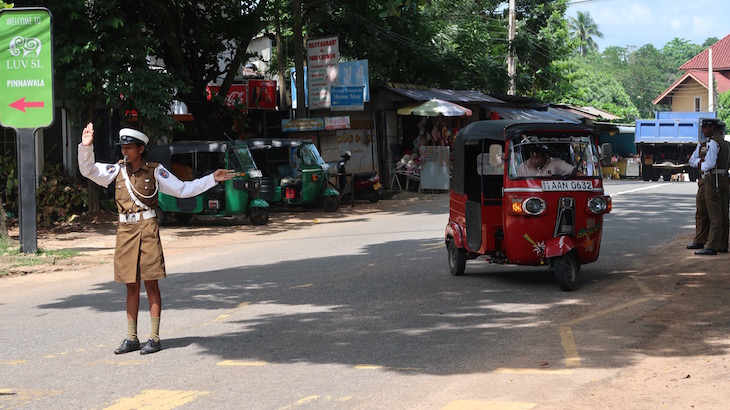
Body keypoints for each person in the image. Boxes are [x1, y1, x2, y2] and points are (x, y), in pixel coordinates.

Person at [78, 123, 235, 354]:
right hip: (125, 231)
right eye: (123, 147)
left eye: (129, 147)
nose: (125, 151)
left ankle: (154, 337)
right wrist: (86, 146)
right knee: (130, 285)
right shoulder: (117, 171)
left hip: (147, 228)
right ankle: (132, 337)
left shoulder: (155, 170)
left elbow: (183, 189)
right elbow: (88, 170)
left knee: (151, 282)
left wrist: (212, 178)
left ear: (141, 148)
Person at [687, 118, 729, 255]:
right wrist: (700, 162)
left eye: (705, 127)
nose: (703, 130)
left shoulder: (714, 143)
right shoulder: (707, 144)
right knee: (703, 211)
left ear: (712, 128)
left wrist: (702, 164)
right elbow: (692, 160)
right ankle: (704, 240)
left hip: (713, 179)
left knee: (715, 213)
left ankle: (713, 245)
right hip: (712, 179)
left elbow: (709, 164)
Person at [517, 144, 584, 177]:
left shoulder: (555, 163)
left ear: (545, 155)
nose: (537, 160)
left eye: (540, 157)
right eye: (535, 157)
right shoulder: (523, 167)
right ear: (531, 155)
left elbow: (575, 172)